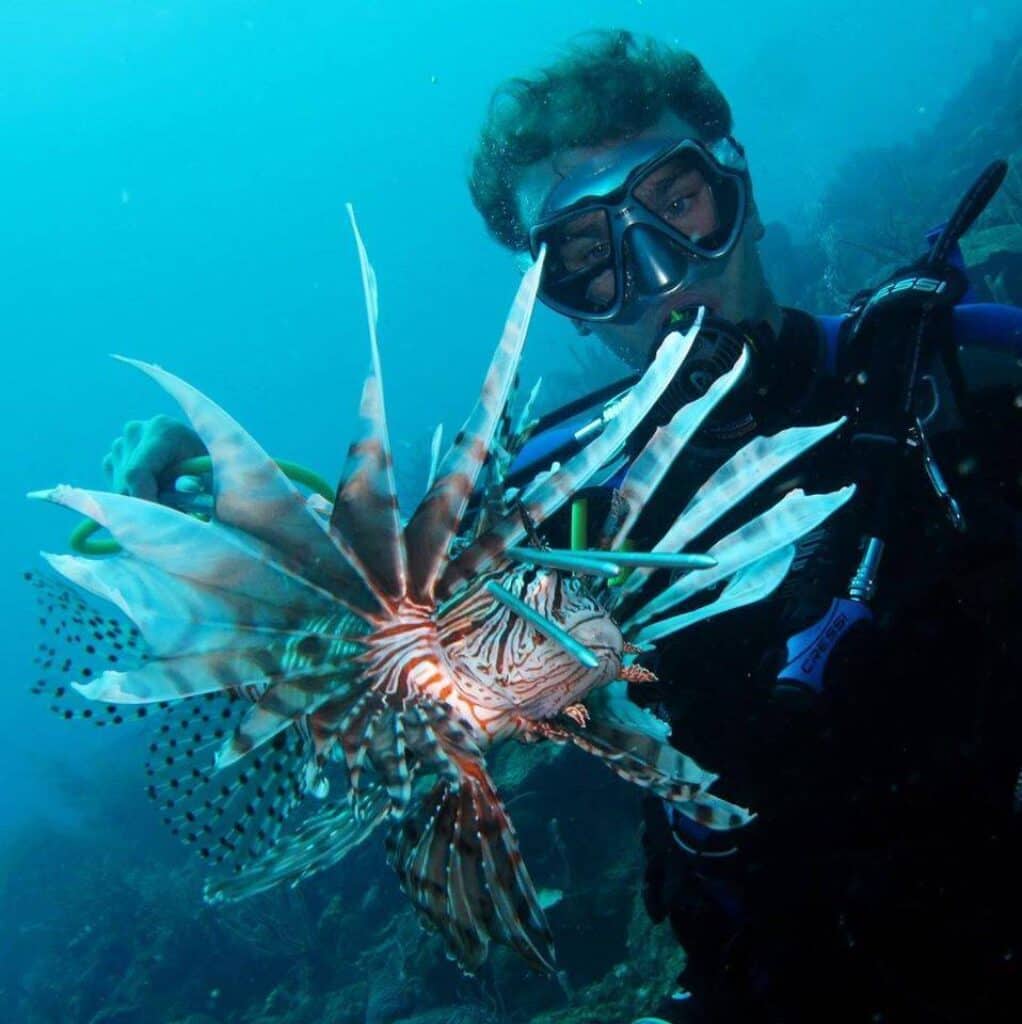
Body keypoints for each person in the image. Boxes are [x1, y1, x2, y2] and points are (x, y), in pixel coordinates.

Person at [105, 31, 1021, 1024]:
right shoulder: (558, 500)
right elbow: (389, 610)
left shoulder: (963, 377)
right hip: (768, 978)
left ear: (740, 190)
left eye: (678, 200)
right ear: (567, 306)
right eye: (590, 258)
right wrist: (237, 544)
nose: (662, 274)